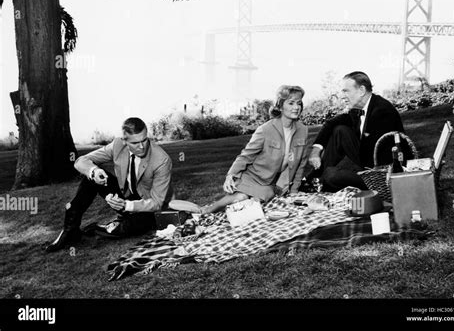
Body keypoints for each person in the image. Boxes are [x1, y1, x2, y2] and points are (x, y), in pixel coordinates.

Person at [45, 117, 173, 252]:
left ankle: (102, 228)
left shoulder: (162, 160)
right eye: (135, 143)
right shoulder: (118, 145)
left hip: (149, 208)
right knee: (91, 177)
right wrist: (94, 171)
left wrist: (127, 205)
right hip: (125, 197)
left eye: (144, 140)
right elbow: (81, 161)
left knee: (129, 228)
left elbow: (157, 203)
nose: (142, 147)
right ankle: (70, 229)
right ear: (125, 141)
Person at [200, 85, 310, 214]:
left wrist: (294, 191)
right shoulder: (265, 130)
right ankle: (209, 209)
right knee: (241, 197)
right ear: (280, 106)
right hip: (252, 177)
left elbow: (301, 164)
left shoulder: (303, 130)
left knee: (254, 204)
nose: (296, 107)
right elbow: (246, 155)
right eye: (291, 103)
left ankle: (231, 209)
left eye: (299, 103)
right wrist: (231, 175)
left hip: (273, 184)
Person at [308, 71, 404, 192]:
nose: (342, 96)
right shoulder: (359, 109)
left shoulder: (382, 112)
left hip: (384, 176)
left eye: (345, 91)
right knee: (339, 130)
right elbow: (330, 123)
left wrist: (352, 171)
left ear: (361, 91)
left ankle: (319, 181)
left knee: (331, 175)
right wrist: (316, 150)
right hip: (369, 160)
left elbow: (378, 161)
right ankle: (315, 179)